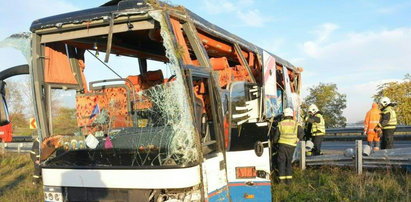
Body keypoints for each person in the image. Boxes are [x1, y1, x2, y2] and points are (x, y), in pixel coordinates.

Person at [272, 108, 304, 184]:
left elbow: (276, 137)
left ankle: (281, 181)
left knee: (281, 162)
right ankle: (289, 181)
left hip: (282, 145)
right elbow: (301, 134)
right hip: (292, 146)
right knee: (289, 162)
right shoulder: (296, 123)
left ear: (284, 115)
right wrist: (297, 139)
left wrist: (275, 143)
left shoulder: (281, 124)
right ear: (291, 115)